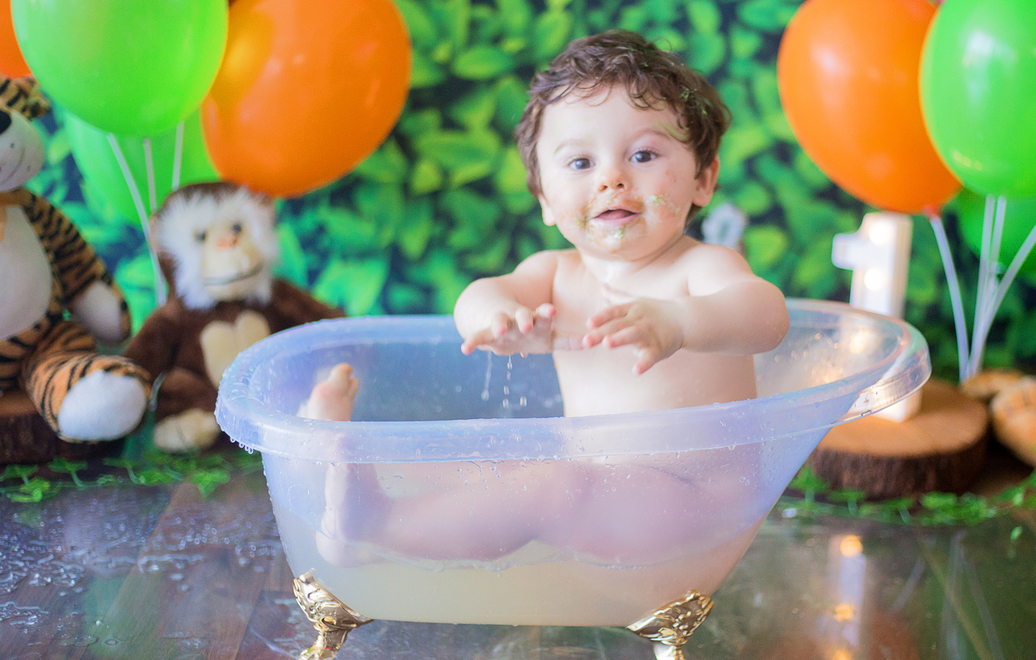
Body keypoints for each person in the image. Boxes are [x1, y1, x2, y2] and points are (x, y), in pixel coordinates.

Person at [307, 30, 790, 565]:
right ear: (544, 199)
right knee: (491, 470)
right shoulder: (555, 274)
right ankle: (356, 498)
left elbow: (765, 315)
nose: (612, 178)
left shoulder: (699, 269)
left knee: (549, 487)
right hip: (601, 491)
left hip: (697, 505)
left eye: (644, 154)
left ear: (703, 180)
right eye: (581, 163)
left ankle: (376, 525)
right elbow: (478, 297)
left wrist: (680, 322)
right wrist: (499, 319)